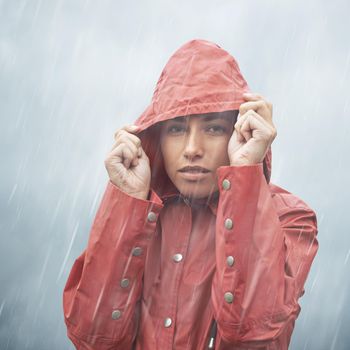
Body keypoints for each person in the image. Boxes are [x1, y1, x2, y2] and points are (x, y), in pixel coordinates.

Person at [63, 39, 319, 349]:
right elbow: (92, 337)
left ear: (240, 132)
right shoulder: (139, 213)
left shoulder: (291, 218)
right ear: (155, 137)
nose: (192, 149)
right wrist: (126, 201)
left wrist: (244, 175)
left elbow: (252, 330)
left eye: (212, 128)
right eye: (176, 129)